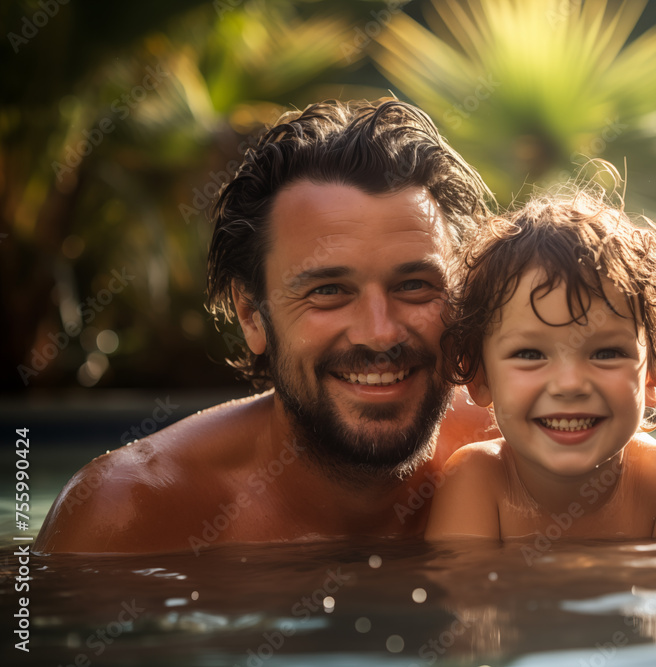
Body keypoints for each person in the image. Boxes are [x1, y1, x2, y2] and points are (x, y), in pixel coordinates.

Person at [36, 99, 498, 553]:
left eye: (414, 285)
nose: (379, 333)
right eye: (329, 291)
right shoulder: (130, 514)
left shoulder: (516, 453)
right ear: (251, 314)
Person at [425, 180, 656, 540]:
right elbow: (462, 592)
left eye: (606, 353)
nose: (570, 383)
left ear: (653, 376)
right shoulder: (477, 482)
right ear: (481, 380)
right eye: (530, 354)